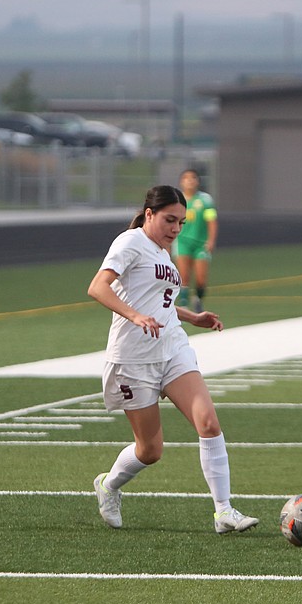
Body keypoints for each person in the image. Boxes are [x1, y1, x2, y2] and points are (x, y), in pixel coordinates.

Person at [87, 184, 259, 534]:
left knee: (208, 422)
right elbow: (98, 287)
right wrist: (134, 316)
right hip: (134, 359)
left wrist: (191, 317)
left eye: (181, 222)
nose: (176, 229)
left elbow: (159, 303)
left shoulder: (164, 253)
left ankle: (223, 511)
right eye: (170, 220)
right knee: (150, 450)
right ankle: (108, 485)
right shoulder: (130, 242)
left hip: (172, 349)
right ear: (149, 214)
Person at [174, 168, 218, 313]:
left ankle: (198, 299)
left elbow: (211, 220)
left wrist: (211, 240)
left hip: (200, 244)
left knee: (201, 278)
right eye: (186, 178)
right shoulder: (177, 199)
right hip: (182, 242)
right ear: (181, 182)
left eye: (193, 178)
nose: (190, 181)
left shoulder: (205, 200)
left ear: (198, 181)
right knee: (184, 276)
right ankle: (184, 305)